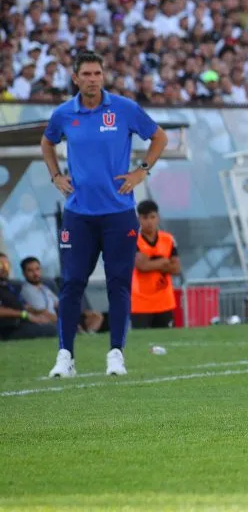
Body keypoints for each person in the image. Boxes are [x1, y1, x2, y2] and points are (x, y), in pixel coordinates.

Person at [41, 51, 168, 378]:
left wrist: (141, 171)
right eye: (86, 74)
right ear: (75, 78)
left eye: (97, 73)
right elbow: (47, 142)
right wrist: (55, 176)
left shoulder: (124, 108)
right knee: (72, 284)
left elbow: (159, 136)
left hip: (119, 214)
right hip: (78, 215)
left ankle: (116, 354)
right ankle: (65, 356)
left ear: (103, 75)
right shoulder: (63, 114)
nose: (93, 79)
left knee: (118, 284)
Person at [131, 200, 181, 328]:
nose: (149, 222)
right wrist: (164, 262)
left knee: (167, 338)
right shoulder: (133, 239)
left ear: (158, 217)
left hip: (164, 302)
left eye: (152, 217)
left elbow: (176, 268)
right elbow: (142, 267)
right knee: (142, 339)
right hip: (140, 303)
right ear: (139, 219)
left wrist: (150, 262)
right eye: (145, 218)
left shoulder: (168, 239)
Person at [19, 257, 103, 333]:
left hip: (57, 318)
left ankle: (89, 335)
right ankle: (82, 335)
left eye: (37, 269)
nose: (35, 273)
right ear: (24, 273)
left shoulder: (44, 288)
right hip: (46, 321)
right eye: (30, 270)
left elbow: (59, 305)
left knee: (95, 316)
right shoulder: (27, 290)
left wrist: (79, 313)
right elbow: (42, 312)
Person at [0, 253, 58, 341]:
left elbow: (23, 306)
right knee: (51, 329)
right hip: (10, 328)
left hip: (22, 322)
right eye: (1, 265)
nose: (4, 268)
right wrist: (25, 315)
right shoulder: (24, 289)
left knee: (49, 325)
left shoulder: (9, 286)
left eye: (7, 264)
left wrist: (37, 314)